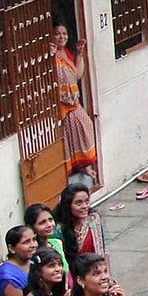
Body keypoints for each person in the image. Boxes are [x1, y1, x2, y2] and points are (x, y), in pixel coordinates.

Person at [49, 22, 97, 179]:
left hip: (72, 101)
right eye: (57, 33)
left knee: (85, 127)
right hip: (63, 104)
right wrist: (50, 56)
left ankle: (83, 167)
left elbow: (76, 74)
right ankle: (79, 168)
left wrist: (79, 54)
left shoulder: (66, 53)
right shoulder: (51, 54)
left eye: (64, 33)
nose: (61, 37)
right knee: (75, 133)